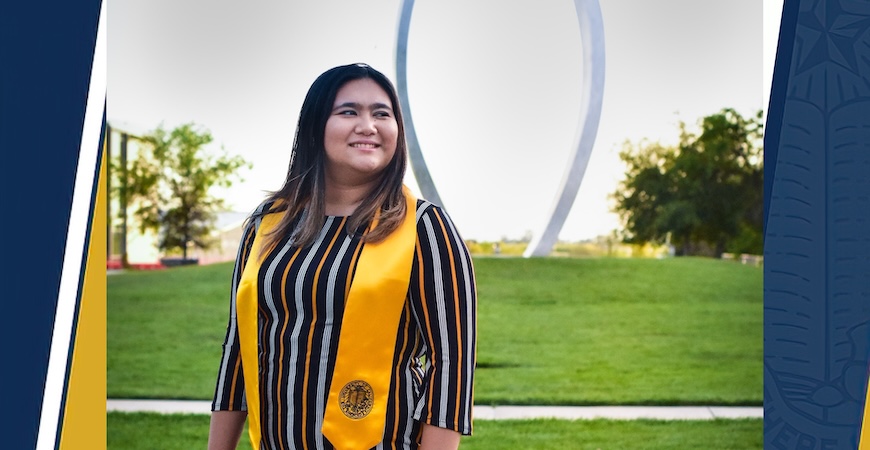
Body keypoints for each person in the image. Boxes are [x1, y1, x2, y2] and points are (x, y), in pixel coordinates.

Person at [207, 63, 477, 450]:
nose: (368, 125)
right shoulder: (267, 225)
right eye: (349, 111)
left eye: (381, 114)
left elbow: (451, 366)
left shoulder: (423, 227)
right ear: (316, 126)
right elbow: (239, 349)